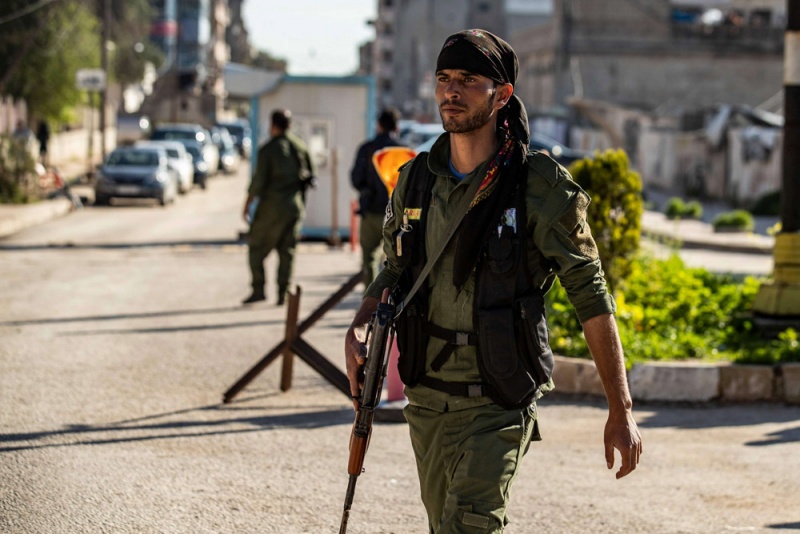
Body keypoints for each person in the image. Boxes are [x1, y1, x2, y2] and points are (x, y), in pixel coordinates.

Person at [344, 29, 642, 532]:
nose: (451, 90)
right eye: (444, 78)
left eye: (467, 79)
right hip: (427, 398)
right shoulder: (416, 180)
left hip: (496, 400)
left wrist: (621, 407)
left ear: (502, 95)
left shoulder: (538, 187)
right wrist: (359, 323)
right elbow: (394, 266)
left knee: (468, 526)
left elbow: (589, 292)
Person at [242, 109, 315, 306]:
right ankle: (283, 293)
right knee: (287, 250)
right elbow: (312, 176)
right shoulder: (301, 146)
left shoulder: (268, 150)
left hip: (272, 208)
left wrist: (247, 204)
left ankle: (258, 289)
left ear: (273, 125)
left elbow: (258, 182)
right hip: (294, 207)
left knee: (256, 248)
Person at [350, 107, 407, 287]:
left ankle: (370, 297)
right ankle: (392, 298)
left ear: (379, 125)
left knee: (369, 258)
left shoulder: (367, 148)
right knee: (398, 259)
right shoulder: (404, 151)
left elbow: (356, 178)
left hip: (371, 212)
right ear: (396, 126)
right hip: (398, 214)